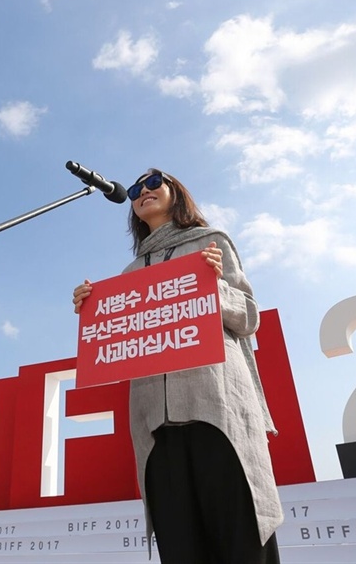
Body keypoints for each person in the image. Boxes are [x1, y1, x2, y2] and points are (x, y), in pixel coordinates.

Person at [72, 168, 284, 564]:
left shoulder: (211, 243)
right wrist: (93, 308)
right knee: (180, 541)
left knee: (239, 532)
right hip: (155, 421)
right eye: (135, 190)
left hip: (215, 409)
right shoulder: (128, 276)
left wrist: (213, 284)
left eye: (154, 183)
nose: (142, 192)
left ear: (177, 193)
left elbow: (249, 317)